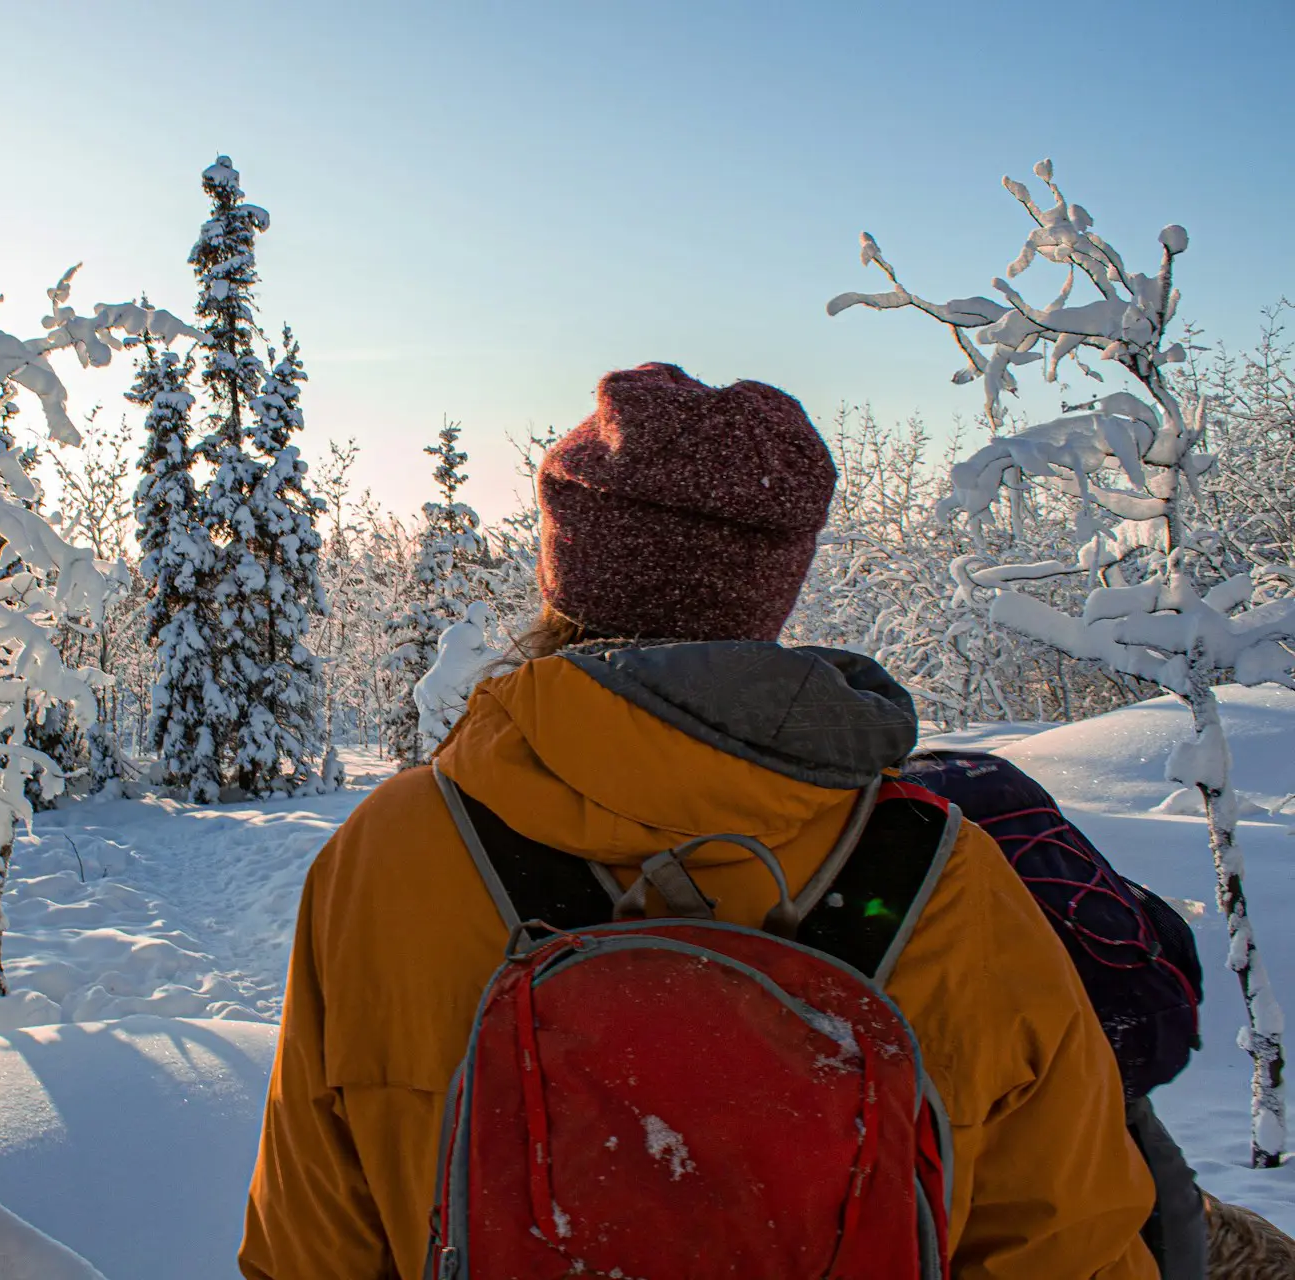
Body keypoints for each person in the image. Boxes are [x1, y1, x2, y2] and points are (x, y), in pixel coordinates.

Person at [239, 363, 1160, 1279]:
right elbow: (1073, 1246)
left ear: (563, 571)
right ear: (773, 588)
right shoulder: (946, 877)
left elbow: (308, 1244)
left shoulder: (394, 852)